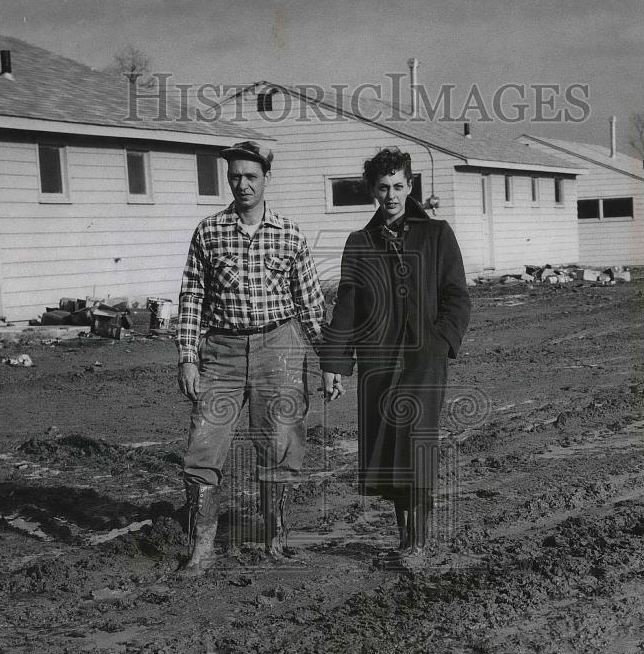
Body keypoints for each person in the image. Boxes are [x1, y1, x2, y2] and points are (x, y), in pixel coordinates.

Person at [176, 140, 325, 574]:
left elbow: (311, 306)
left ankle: (274, 541)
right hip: (220, 353)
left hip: (278, 348)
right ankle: (201, 549)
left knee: (280, 446)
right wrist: (187, 356)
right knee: (204, 446)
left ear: (266, 180)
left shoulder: (290, 234)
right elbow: (191, 298)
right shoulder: (208, 232)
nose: (243, 184)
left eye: (251, 177)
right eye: (235, 176)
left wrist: (330, 361)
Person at [320, 147, 471, 562]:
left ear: (410, 185)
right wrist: (334, 365)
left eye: (399, 186)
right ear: (373, 189)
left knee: (416, 442)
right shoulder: (360, 242)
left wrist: (439, 342)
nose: (391, 195)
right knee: (386, 449)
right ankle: (404, 540)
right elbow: (346, 308)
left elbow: (458, 298)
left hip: (424, 361)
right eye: (383, 187)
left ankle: (418, 545)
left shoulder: (437, 234)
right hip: (379, 363)